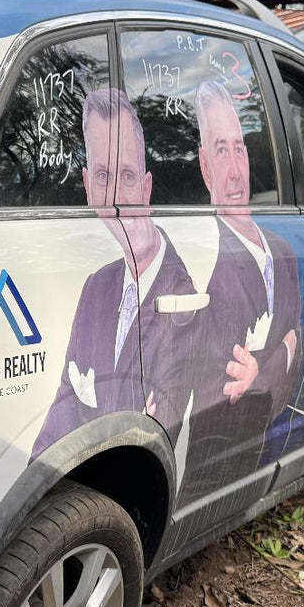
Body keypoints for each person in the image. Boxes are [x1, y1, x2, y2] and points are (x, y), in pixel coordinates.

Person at [30, 89, 196, 459]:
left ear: (147, 186)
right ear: (88, 187)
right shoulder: (96, 288)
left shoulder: (182, 292)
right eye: (104, 176)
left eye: (128, 175)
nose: (117, 196)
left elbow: (158, 423)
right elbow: (61, 412)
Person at [158, 79, 301, 507]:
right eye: (221, 151)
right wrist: (281, 354)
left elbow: (299, 340)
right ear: (204, 168)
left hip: (263, 457)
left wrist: (266, 369)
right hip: (209, 482)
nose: (236, 169)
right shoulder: (202, 265)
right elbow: (217, 378)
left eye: (239, 148)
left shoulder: (283, 250)